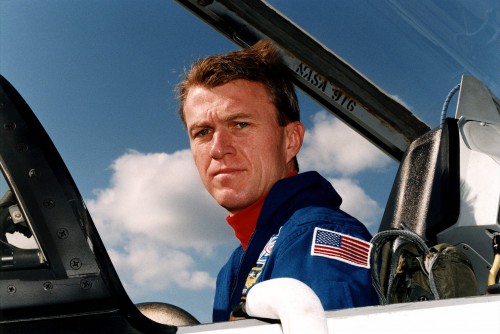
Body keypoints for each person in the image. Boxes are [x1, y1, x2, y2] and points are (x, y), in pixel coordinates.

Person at [177, 40, 379, 322]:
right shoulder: (234, 266)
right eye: (202, 132)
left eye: (240, 124)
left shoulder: (313, 234)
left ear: (290, 140)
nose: (218, 148)